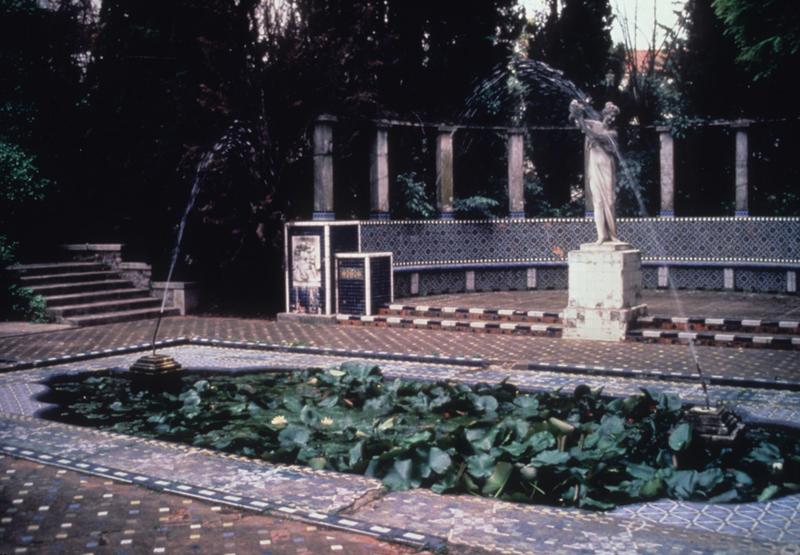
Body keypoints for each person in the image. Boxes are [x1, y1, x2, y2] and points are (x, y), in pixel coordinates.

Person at [569, 99, 621, 244]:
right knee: (597, 201)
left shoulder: (613, 133)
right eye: (611, 115)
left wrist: (582, 122)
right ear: (605, 114)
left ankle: (613, 235)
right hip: (594, 166)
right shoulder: (595, 124)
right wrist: (575, 111)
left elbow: (596, 137)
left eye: (615, 117)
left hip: (606, 167)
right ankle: (601, 236)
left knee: (609, 201)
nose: (612, 118)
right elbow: (579, 123)